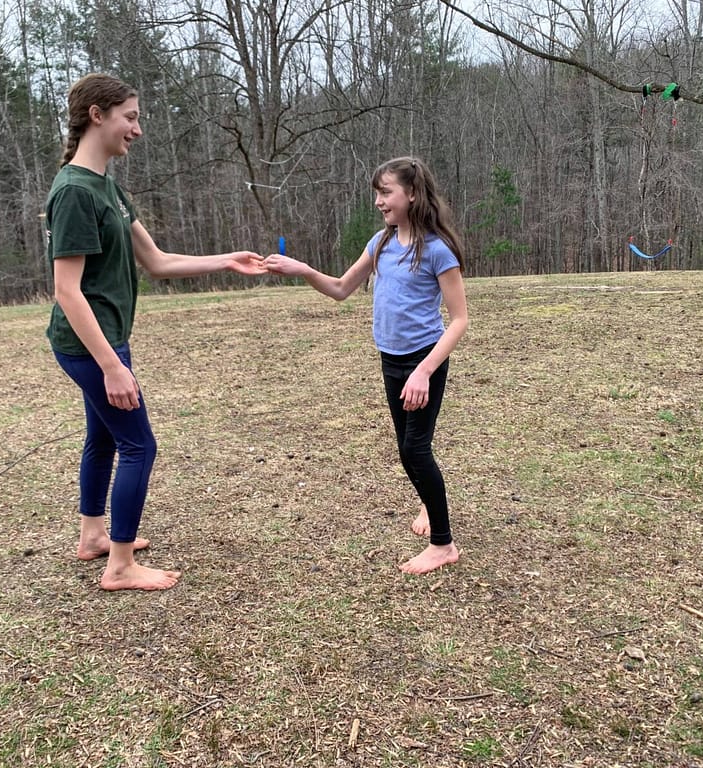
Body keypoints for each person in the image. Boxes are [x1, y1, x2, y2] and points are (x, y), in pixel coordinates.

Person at [45, 73, 265, 591]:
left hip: (101, 341)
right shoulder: (75, 191)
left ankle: (93, 537)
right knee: (139, 445)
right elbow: (67, 290)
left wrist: (227, 261)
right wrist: (111, 365)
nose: (137, 129)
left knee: (103, 437)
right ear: (97, 115)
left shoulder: (106, 187)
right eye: (131, 117)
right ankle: (119, 567)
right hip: (90, 344)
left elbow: (159, 262)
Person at [264, 157, 468, 575]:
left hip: (422, 362)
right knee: (405, 450)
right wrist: (301, 269)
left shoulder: (436, 250)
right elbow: (341, 289)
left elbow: (460, 320)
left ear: (412, 193)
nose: (379, 201)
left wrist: (424, 371)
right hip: (390, 360)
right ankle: (431, 505)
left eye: (386, 192)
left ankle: (443, 544)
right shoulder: (380, 244)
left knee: (415, 448)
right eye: (377, 192)